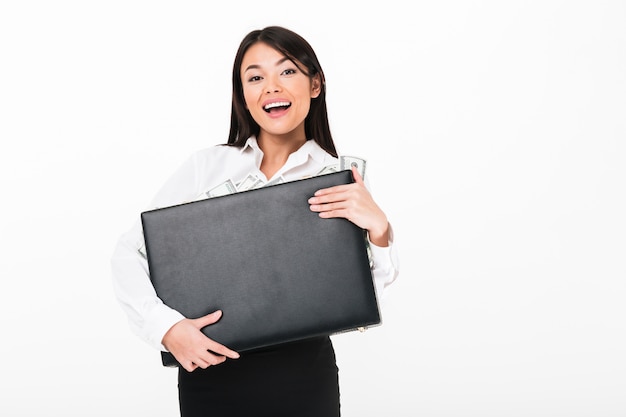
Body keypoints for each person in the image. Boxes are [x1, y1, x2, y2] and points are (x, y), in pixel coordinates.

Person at [111, 25, 399, 417]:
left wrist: (380, 232)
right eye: (255, 77)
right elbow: (130, 252)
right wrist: (165, 328)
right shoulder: (206, 168)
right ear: (243, 96)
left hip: (302, 379)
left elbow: (361, 299)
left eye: (287, 71)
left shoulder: (338, 177)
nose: (271, 86)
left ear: (315, 84)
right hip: (209, 377)